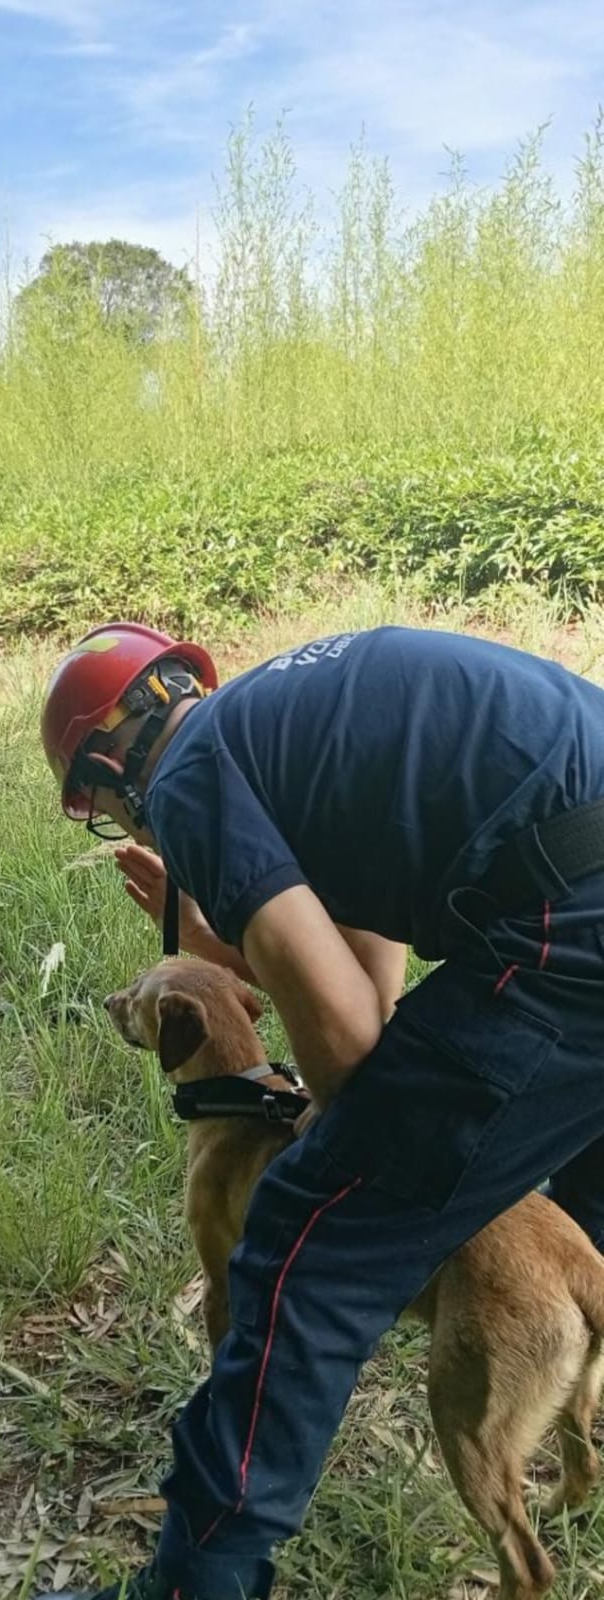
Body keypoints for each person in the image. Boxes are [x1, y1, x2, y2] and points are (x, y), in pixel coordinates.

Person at [38, 620, 604, 1600]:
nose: (132, 829)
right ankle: (550, 1375)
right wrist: (222, 936)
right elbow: (370, 990)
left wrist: (332, 1138)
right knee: (568, 1214)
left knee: (303, 1236)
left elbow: (344, 1036)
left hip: (572, 926)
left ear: (111, 765)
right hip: (574, 883)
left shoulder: (189, 777)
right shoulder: (284, 727)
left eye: (107, 809)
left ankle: (193, 1588)